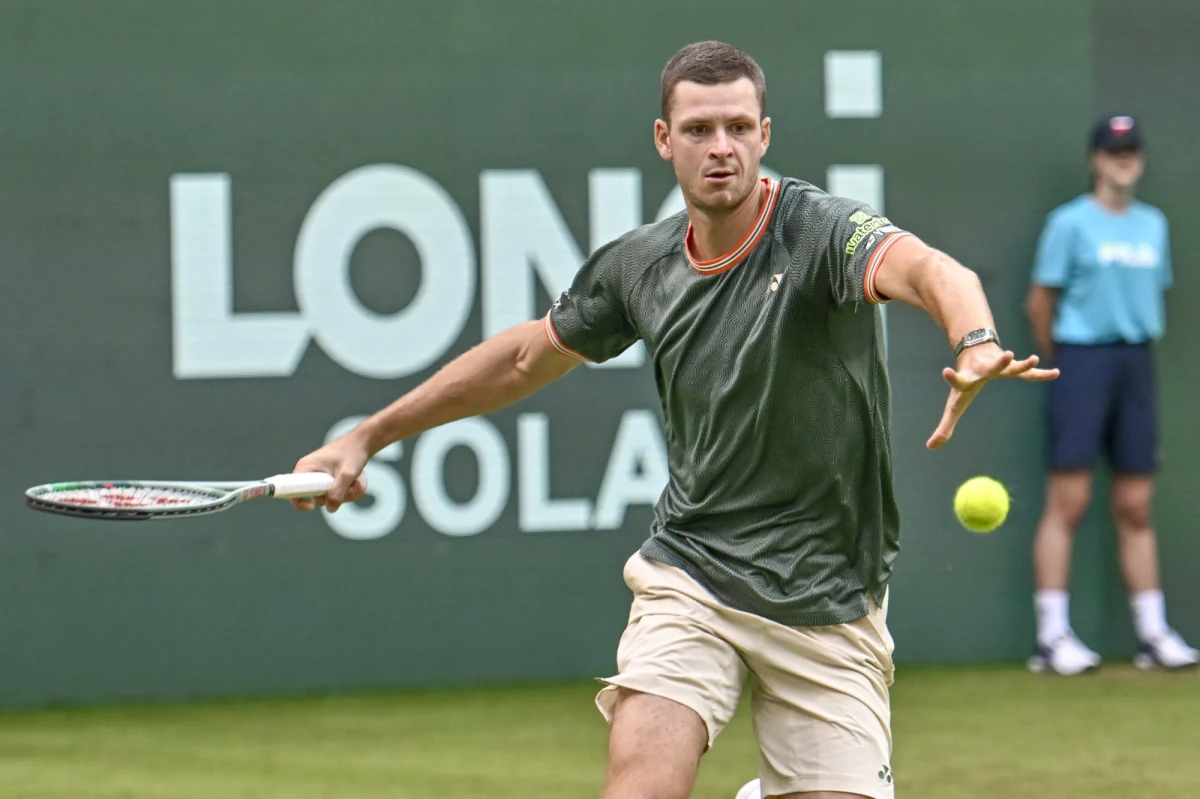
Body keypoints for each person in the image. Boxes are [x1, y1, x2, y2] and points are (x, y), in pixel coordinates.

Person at [290, 41, 1056, 799]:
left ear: (764, 134)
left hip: (829, 597)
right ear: (665, 140)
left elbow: (930, 269)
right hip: (693, 574)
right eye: (697, 129)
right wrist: (367, 435)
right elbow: (525, 357)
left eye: (736, 127)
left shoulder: (822, 231)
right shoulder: (639, 267)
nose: (720, 147)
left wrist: (976, 337)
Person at [1024, 115, 1198, 676]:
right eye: (1113, 151)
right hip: (1080, 361)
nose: (1124, 160)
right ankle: (1052, 638)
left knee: (1136, 505)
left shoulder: (1153, 226)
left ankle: (1153, 635)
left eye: (1131, 151)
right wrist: (1066, 364)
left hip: (1135, 363)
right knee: (1068, 502)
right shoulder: (1068, 224)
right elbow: (1039, 303)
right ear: (1096, 159)